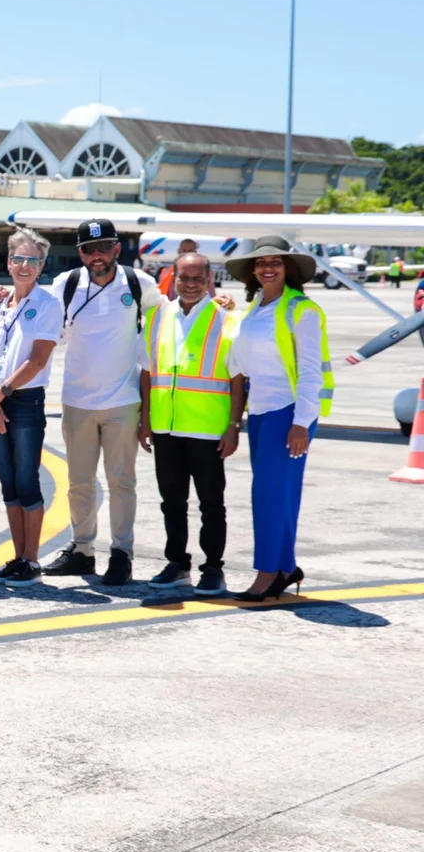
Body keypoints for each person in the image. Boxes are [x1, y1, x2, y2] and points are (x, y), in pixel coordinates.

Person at [41, 220, 158, 586]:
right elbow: (40, 318)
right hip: (77, 401)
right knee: (79, 482)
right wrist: (2, 299)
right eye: (89, 249)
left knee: (121, 482)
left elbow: (170, 319)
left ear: (116, 249)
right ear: (80, 253)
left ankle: (122, 553)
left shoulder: (139, 284)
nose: (97, 256)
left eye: (104, 247)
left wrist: (219, 304)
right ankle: (82, 550)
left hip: (123, 401)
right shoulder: (66, 285)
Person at [222, 235, 334, 602]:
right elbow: (240, 360)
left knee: (268, 496)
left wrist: (302, 422)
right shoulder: (255, 308)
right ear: (253, 271)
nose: (267, 268)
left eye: (275, 262)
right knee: (280, 495)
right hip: (261, 412)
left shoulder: (302, 310)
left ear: (288, 269)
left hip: (288, 413)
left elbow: (312, 372)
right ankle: (285, 567)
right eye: (260, 263)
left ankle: (268, 573)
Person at [137, 251, 242, 597]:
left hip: (207, 428)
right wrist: (145, 420)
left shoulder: (227, 320)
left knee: (211, 502)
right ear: (174, 278)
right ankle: (177, 563)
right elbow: (147, 372)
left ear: (209, 280)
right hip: (166, 426)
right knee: (172, 501)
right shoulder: (156, 317)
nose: (191, 284)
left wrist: (233, 425)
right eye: (185, 277)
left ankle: (213, 568)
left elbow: (238, 379)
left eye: (198, 278)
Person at [0, 227, 64, 588]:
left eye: (33, 260)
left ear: (41, 266)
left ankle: (31, 559)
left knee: (28, 481)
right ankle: (17, 557)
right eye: (19, 258)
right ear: (9, 262)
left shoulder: (48, 305)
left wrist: (0, 393)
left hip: (25, 401)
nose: (25, 265)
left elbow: (38, 360)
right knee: (8, 483)